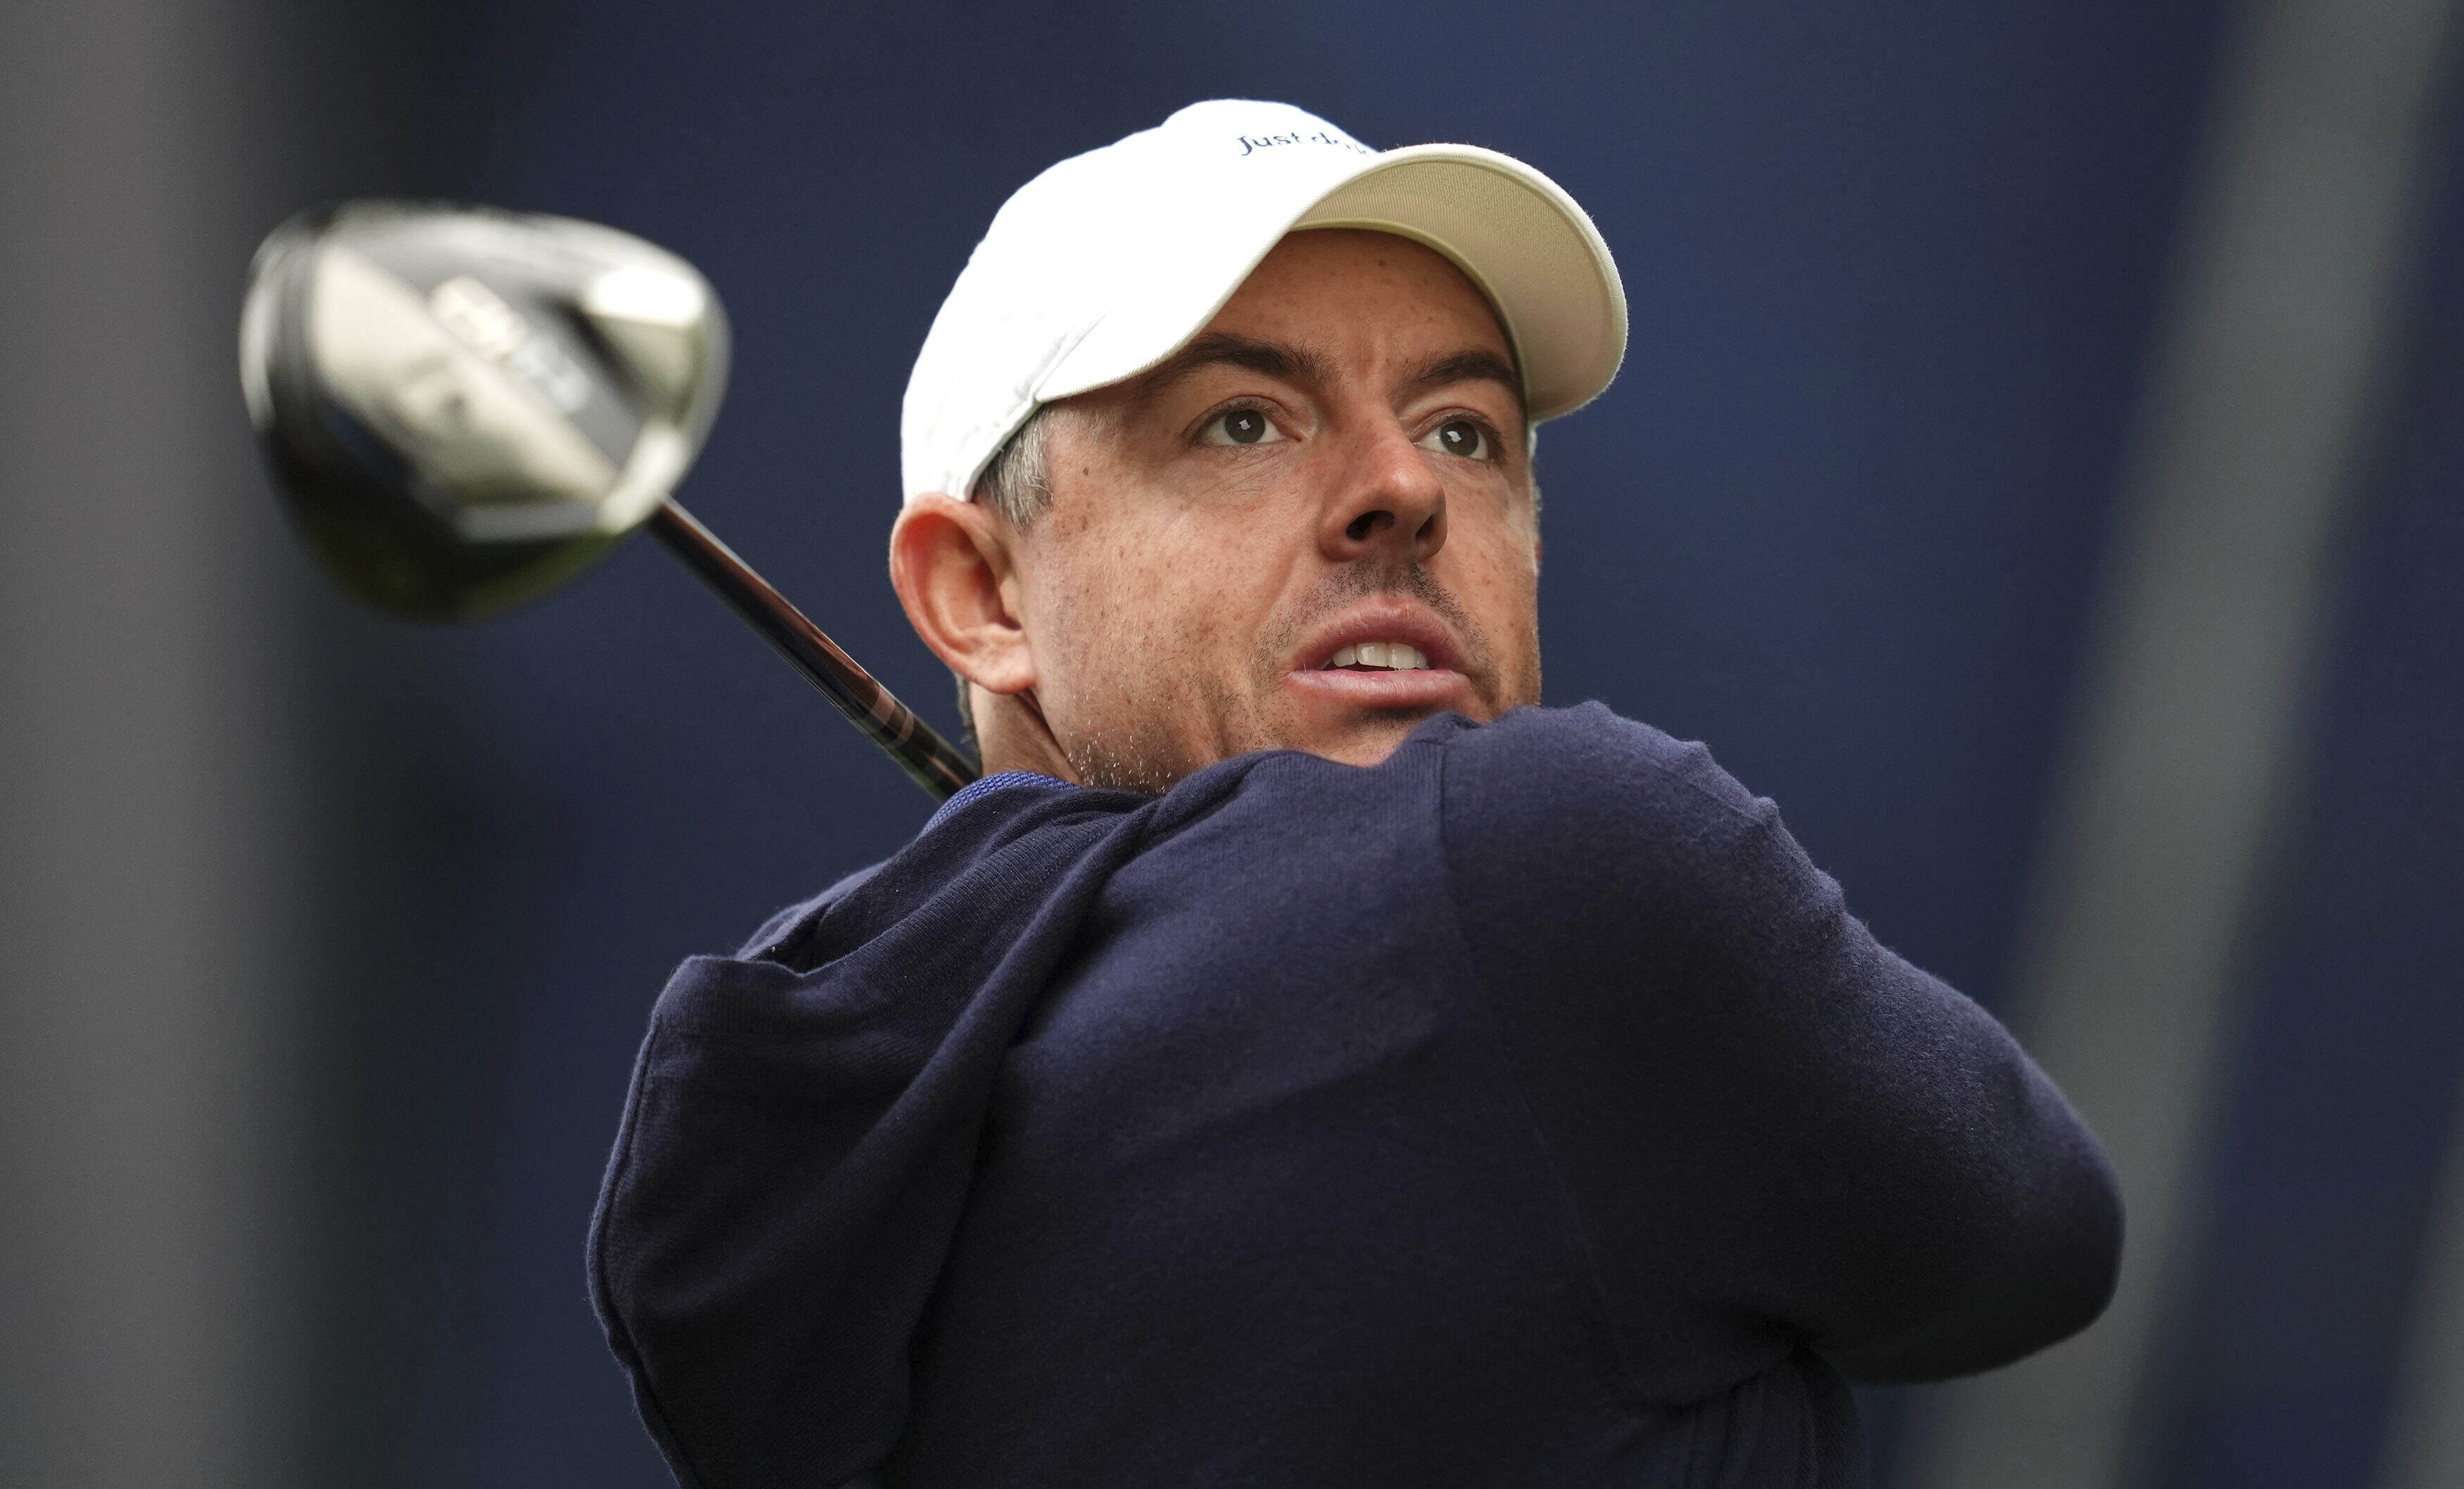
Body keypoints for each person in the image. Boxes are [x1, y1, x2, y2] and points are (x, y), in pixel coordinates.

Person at [590, 99, 2121, 1488]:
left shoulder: (800, 1121)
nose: (1409, 490)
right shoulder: (1551, 859)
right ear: (982, 591)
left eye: (1467, 431)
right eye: (1242, 422)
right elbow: (2031, 1243)